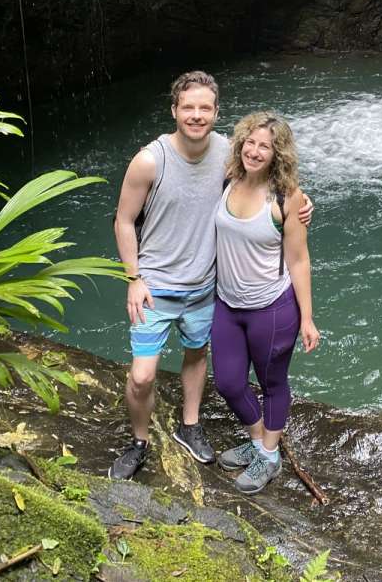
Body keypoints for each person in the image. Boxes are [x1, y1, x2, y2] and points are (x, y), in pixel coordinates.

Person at [109, 72, 311, 481]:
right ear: (174, 111)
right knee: (143, 374)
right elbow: (124, 220)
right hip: (156, 287)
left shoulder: (228, 155)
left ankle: (191, 425)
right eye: (188, 107)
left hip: (206, 288)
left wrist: (303, 204)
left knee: (197, 354)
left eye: (205, 108)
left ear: (217, 113)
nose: (196, 116)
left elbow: (272, 181)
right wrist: (133, 277)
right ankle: (139, 441)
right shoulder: (151, 160)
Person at [211, 112, 319, 494]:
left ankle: (269, 456)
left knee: (273, 382)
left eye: (265, 146)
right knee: (227, 381)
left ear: (278, 154)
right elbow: (190, 142)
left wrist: (307, 317)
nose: (255, 152)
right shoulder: (227, 177)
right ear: (240, 142)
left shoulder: (288, 198)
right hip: (227, 303)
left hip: (272, 308)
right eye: (250, 143)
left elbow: (299, 260)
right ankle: (258, 442)